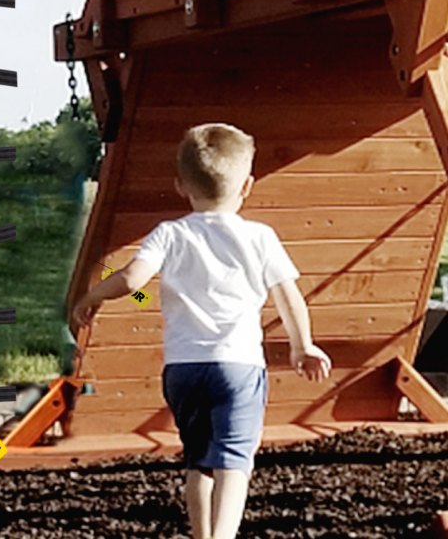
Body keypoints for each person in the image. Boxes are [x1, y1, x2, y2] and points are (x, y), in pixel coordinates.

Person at [71, 123, 332, 539]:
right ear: (247, 185)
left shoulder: (170, 234)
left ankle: (202, 535)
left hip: (184, 369)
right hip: (239, 367)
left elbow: (133, 281)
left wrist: (92, 296)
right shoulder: (260, 237)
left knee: (199, 460)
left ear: (179, 185)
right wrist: (302, 346)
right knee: (233, 462)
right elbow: (289, 298)